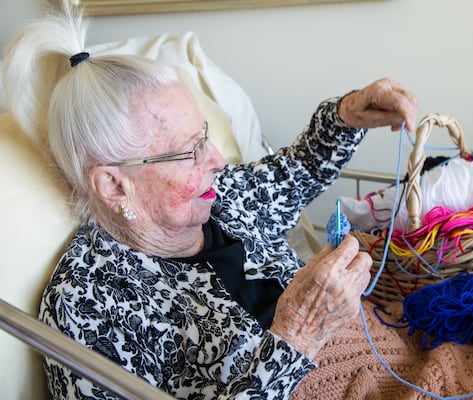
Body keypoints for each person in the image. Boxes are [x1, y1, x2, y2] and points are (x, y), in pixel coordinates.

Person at [2, 6, 418, 400]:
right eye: (189, 150)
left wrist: (346, 115)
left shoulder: (224, 198)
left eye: (204, 135)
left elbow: (299, 170)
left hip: (400, 360)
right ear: (114, 185)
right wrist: (298, 335)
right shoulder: (88, 305)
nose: (217, 160)